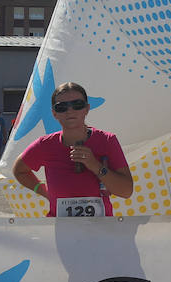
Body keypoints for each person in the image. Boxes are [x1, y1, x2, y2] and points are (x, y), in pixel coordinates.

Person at [13, 82, 135, 217]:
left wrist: (95, 165)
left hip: (101, 230)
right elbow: (19, 170)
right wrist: (44, 191)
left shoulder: (107, 141)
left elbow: (126, 191)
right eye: (62, 107)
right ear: (54, 113)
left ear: (87, 109)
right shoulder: (45, 145)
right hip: (61, 230)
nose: (70, 110)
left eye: (77, 105)